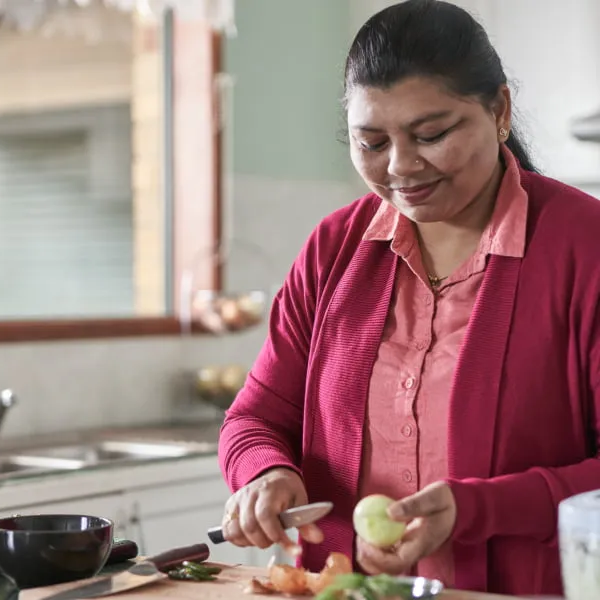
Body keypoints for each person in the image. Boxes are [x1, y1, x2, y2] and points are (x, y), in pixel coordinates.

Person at [216, 0, 600, 596]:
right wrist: (264, 472)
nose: (401, 167)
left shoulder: (585, 248)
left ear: (498, 111)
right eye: (370, 142)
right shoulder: (333, 250)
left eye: (432, 134)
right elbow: (257, 417)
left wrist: (477, 509)